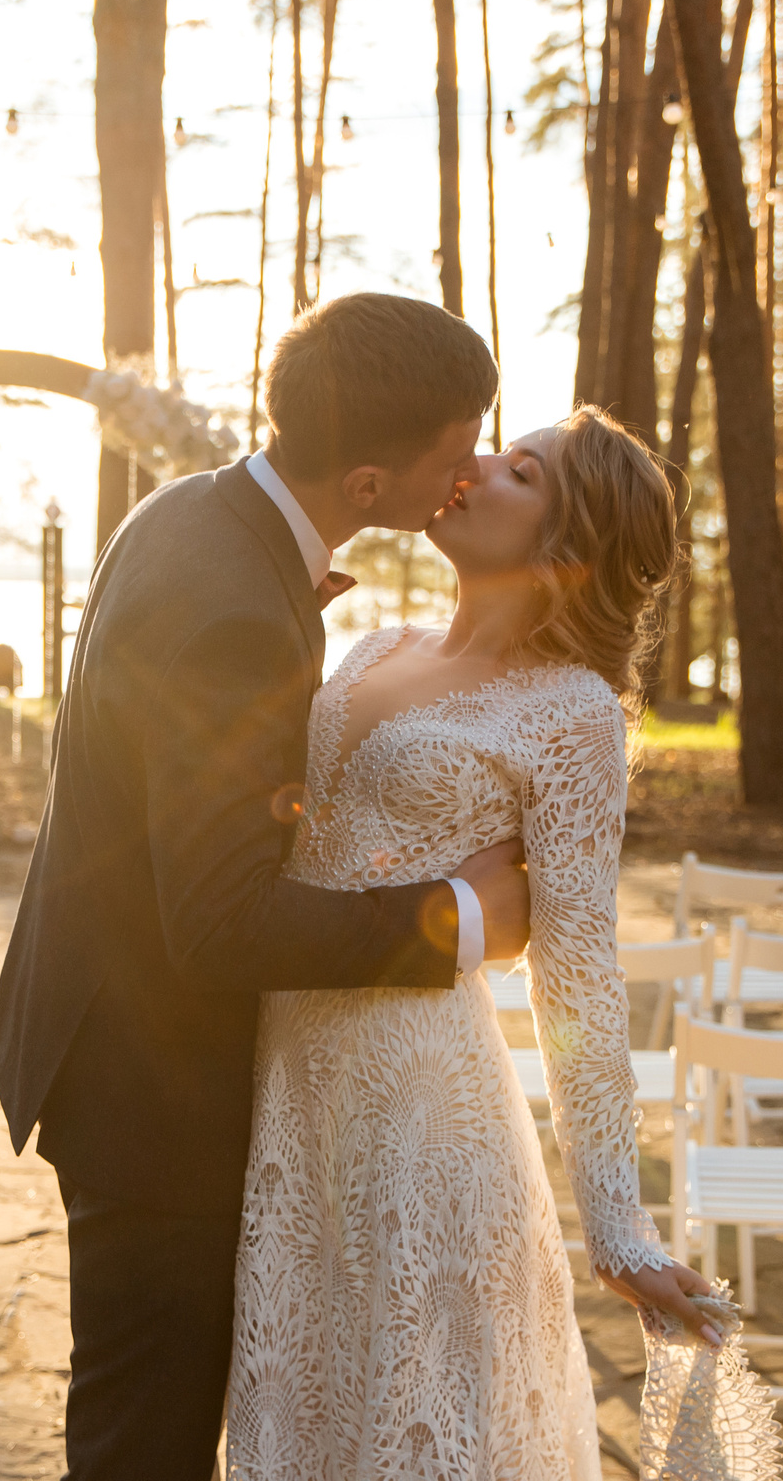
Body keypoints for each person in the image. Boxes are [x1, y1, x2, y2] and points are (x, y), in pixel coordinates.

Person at [0, 295, 542, 1480]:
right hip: (150, 1089)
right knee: (148, 1439)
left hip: (114, 1038)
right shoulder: (233, 611)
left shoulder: (190, 509)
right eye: (453, 455)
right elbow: (220, 921)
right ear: (364, 486)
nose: (466, 478)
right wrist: (457, 918)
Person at [228, 407, 718, 1477]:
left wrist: (618, 1224)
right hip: (284, 1092)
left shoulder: (573, 713)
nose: (474, 466)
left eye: (519, 469)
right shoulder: (369, 644)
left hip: (420, 1114)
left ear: (569, 551)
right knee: (295, 1411)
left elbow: (579, 970)